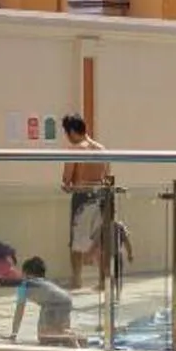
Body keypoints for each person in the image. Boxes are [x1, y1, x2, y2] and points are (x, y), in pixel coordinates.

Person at [61, 113, 112, 287]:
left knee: (77, 240)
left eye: (67, 133)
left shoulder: (75, 150)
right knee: (100, 240)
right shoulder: (102, 149)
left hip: (82, 197)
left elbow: (67, 179)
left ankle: (76, 279)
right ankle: (102, 280)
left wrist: (68, 185)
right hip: (101, 197)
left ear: (72, 131)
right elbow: (107, 176)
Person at [12, 254, 78, 346]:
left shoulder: (24, 285)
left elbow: (19, 311)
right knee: (60, 331)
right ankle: (76, 339)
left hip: (52, 303)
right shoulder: (45, 282)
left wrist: (14, 333)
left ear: (26, 273)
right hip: (66, 299)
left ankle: (70, 338)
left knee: (43, 337)